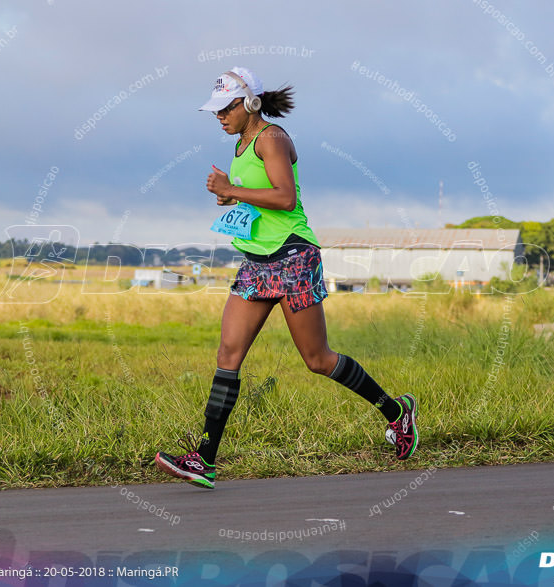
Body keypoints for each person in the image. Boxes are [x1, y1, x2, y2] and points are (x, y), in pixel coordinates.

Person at [154, 67, 418, 489]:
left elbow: (285, 197)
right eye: (215, 111)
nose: (218, 117)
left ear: (250, 104)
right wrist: (228, 194)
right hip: (258, 262)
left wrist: (233, 190)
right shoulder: (241, 145)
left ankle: (395, 411)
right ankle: (203, 458)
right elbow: (258, 197)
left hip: (293, 257)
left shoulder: (273, 139)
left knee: (318, 360)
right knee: (228, 354)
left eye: (225, 109)